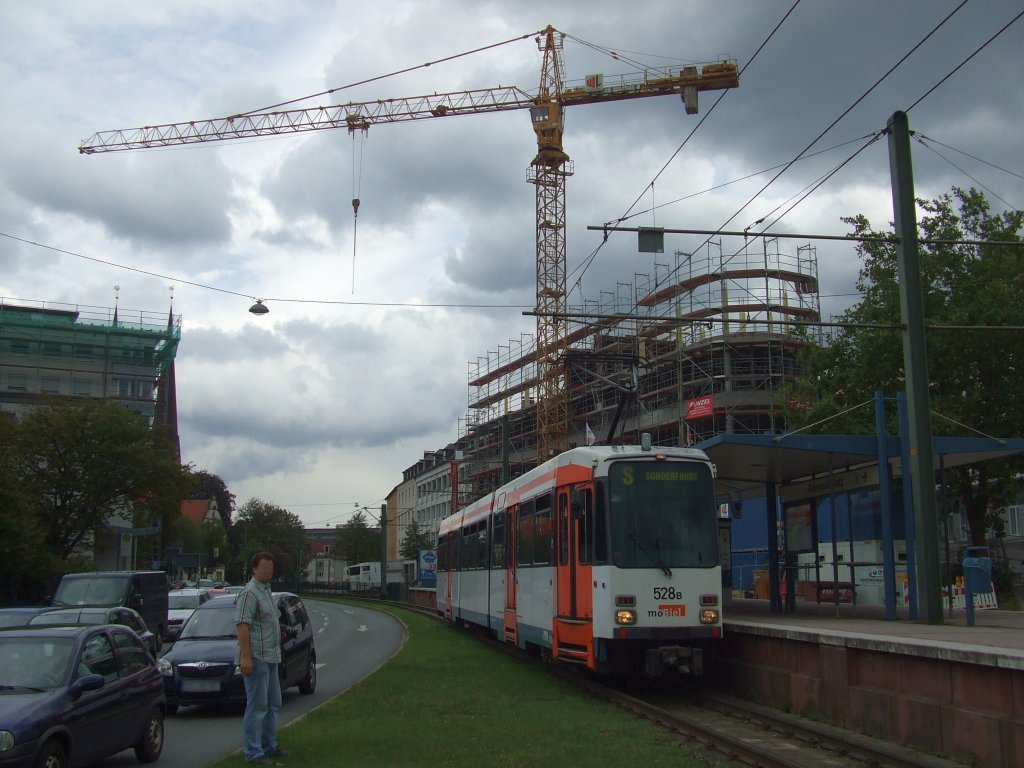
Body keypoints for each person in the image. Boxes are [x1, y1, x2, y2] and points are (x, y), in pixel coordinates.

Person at [236, 552, 289, 765]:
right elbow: (242, 625)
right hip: (256, 658)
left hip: (272, 656)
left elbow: (268, 622)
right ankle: (253, 752)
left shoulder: (267, 591)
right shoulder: (249, 593)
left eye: (271, 568)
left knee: (273, 703)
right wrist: (246, 658)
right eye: (265, 568)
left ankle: (269, 745)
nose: (269, 572)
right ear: (254, 569)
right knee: (257, 706)